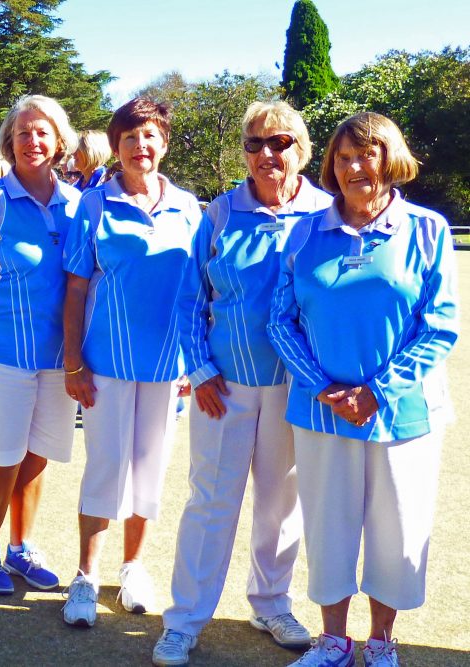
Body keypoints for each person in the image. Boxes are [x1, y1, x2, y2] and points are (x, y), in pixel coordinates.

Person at [270, 112, 458, 667]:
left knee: (396, 530)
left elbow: (439, 326)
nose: (354, 168)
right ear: (331, 166)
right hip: (323, 412)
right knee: (328, 528)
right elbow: (280, 320)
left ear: (389, 160)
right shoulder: (305, 232)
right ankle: (333, 641)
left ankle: (381, 642)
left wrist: (378, 391)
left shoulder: (427, 229)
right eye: (344, 157)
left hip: (403, 414)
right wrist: (322, 386)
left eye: (366, 155)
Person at [153, 101, 332, 667]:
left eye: (280, 143)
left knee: (282, 503)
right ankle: (184, 621)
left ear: (302, 150)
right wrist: (201, 370)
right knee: (210, 504)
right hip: (223, 387)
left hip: (297, 389)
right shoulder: (221, 213)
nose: (267, 154)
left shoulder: (326, 213)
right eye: (255, 144)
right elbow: (189, 299)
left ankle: (271, 603)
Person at [60, 98, 202, 627]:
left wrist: (196, 360)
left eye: (150, 136)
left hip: (168, 366)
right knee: (105, 467)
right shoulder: (93, 205)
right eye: (129, 138)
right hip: (105, 364)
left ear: (164, 143)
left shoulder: (189, 207)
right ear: (116, 147)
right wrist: (73, 362)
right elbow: (76, 288)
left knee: (150, 470)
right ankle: (86, 575)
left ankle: (133, 568)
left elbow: (199, 289)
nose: (141, 146)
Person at [0, 94, 80, 595]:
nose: (32, 141)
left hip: (59, 358)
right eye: (22, 133)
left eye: (42, 132)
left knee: (37, 455)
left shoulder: (77, 204)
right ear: (10, 142)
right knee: (2, 457)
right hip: (0, 353)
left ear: (60, 142)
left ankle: (20, 547)